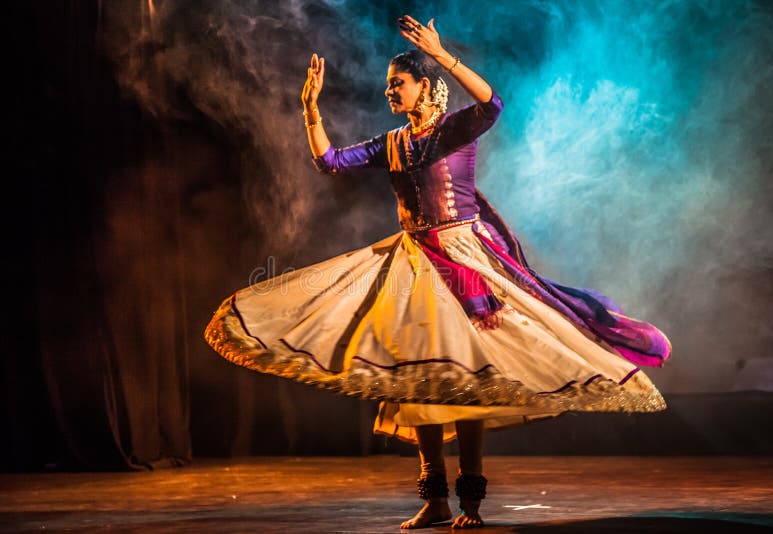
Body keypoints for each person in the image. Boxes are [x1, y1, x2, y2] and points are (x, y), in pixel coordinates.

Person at [204, 14, 671, 530]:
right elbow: (331, 161)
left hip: (465, 257)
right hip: (414, 261)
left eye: (397, 83)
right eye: (387, 85)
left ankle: (469, 502)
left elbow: (492, 104)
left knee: (466, 378)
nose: (388, 91)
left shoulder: (453, 131)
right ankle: (436, 498)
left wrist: (444, 54)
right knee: (420, 378)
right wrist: (311, 110)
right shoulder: (392, 143)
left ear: (425, 87)